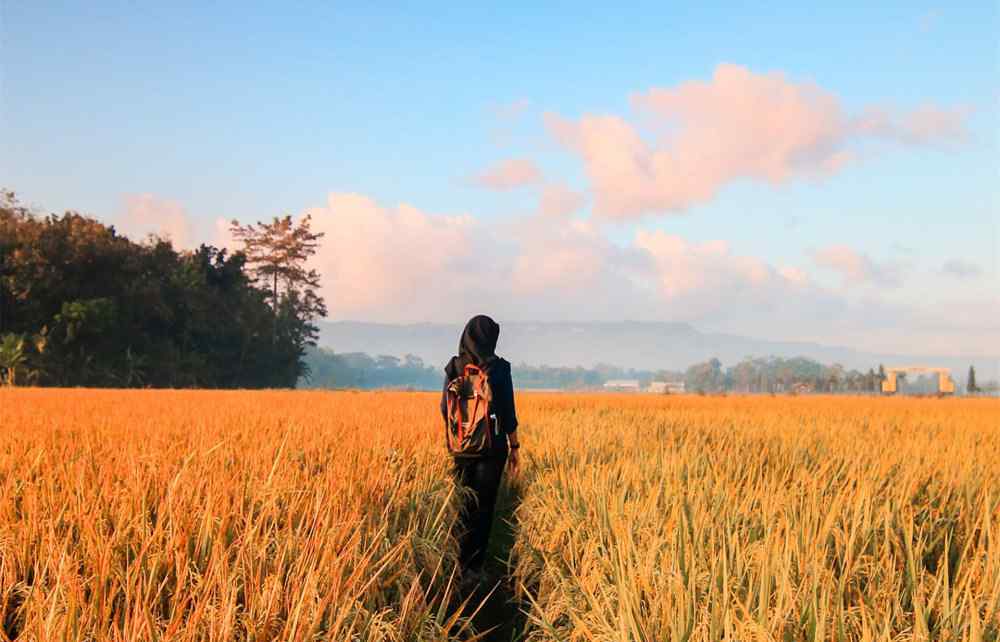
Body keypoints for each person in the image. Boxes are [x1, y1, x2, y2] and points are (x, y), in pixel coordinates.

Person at [441, 315, 520, 582]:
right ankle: (474, 568)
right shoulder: (498, 369)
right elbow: (508, 411)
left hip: (460, 449)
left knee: (462, 505)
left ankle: (455, 563)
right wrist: (515, 446)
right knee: (484, 507)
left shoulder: (454, 366)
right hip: (491, 450)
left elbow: (444, 408)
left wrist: (458, 437)